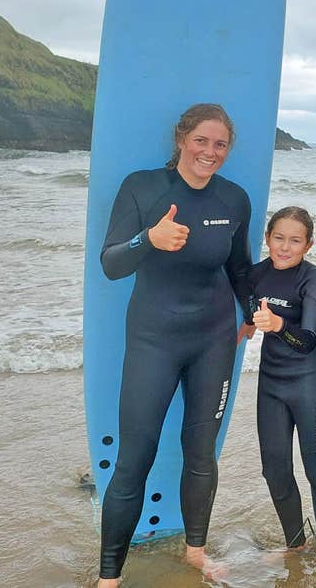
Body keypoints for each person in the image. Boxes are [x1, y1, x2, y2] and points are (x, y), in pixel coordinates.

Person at [96, 103, 256, 586]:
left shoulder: (234, 199)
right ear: (181, 139)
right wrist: (150, 238)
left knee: (201, 450)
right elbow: (111, 263)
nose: (210, 152)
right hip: (154, 340)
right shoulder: (142, 187)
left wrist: (254, 311)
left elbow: (241, 268)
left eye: (220, 144)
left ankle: (195, 551)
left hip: (213, 340)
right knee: (134, 459)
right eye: (202, 141)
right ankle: (108, 577)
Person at [245, 206, 316, 572]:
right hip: (271, 383)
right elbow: (242, 313)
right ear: (267, 238)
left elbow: (308, 339)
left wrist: (277, 325)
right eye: (278, 238)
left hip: (309, 382)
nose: (285, 247)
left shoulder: (313, 280)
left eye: (295, 240)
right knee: (274, 470)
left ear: (308, 244)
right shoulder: (257, 274)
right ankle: (295, 544)